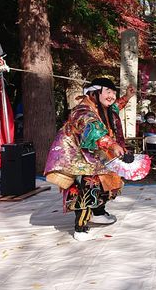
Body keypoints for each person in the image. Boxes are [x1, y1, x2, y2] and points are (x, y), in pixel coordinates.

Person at [44, 78, 126, 241]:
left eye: (113, 93)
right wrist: (111, 144)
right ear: (94, 93)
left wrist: (128, 96)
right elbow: (92, 129)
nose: (112, 96)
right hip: (79, 160)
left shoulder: (101, 107)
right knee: (86, 190)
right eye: (108, 92)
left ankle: (98, 213)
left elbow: (116, 106)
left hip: (97, 158)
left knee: (107, 185)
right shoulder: (82, 110)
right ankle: (80, 227)